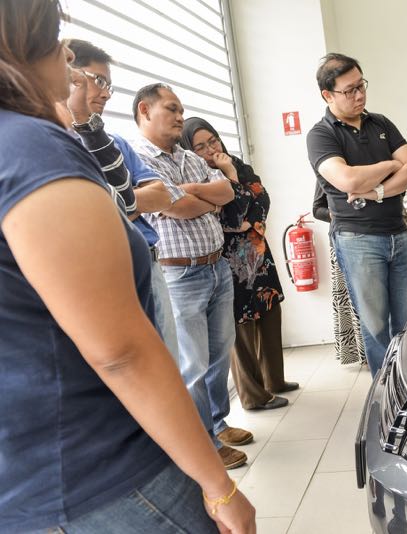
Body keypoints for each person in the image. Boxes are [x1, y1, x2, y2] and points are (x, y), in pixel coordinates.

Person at [0, 1, 255, 532]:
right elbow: (120, 352)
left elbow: (204, 193)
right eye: (56, 37)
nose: (67, 53)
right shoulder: (32, 150)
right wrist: (218, 484)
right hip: (98, 468)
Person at [131, 83, 252, 469]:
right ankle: (204, 443)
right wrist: (197, 199)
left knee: (219, 354)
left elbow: (227, 194)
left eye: (182, 109)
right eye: (172, 109)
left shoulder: (188, 157)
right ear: (144, 111)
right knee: (193, 363)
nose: (181, 116)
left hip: (217, 265)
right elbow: (177, 208)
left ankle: (218, 422)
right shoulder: (137, 158)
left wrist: (190, 193)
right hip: (179, 274)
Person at [63, 38, 180, 363]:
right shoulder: (53, 141)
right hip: (103, 271)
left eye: (109, 85)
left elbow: (160, 194)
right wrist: (120, 199)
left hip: (147, 260)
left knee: (168, 361)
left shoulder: (110, 142)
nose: (105, 92)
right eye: (97, 80)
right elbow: (95, 207)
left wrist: (115, 199)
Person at [306, 53, 407, 377]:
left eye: (362, 86)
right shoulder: (321, 135)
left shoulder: (381, 123)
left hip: (398, 233)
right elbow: (347, 180)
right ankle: (386, 393)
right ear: (327, 95)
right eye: (349, 90)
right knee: (374, 326)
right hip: (357, 240)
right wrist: (389, 165)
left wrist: (377, 191)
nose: (360, 95)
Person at [181, 116, 298, 410]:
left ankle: (275, 380)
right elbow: (230, 218)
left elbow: (263, 199)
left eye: (213, 141)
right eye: (200, 146)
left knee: (270, 310)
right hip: (228, 258)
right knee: (241, 325)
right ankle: (253, 395)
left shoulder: (236, 163)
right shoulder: (200, 174)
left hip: (256, 251)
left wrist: (248, 217)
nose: (210, 149)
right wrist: (231, 179)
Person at [313, 181, 366, 365]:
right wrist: (338, 214)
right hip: (343, 239)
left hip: (376, 236)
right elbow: (316, 209)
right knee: (352, 300)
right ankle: (364, 354)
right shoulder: (329, 168)